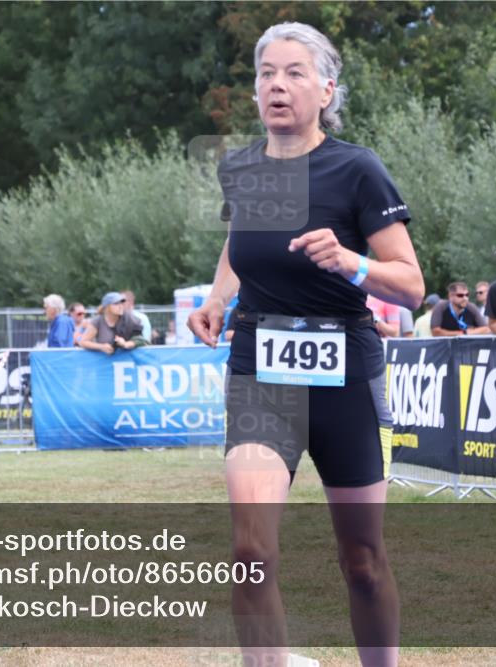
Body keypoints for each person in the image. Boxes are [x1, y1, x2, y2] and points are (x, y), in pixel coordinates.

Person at [187, 23, 423, 667]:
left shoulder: (358, 168)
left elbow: (410, 286)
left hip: (343, 370)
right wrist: (216, 298)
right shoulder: (240, 169)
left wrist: (350, 262)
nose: (276, 85)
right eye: (266, 73)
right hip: (261, 368)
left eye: (294, 72)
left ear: (326, 88)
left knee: (363, 561)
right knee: (251, 552)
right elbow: (241, 243)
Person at [79, 292, 145, 354]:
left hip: (128, 361)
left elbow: (140, 339)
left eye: (121, 303)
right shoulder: (98, 321)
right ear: (107, 307)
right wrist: (101, 347)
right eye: (116, 303)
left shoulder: (130, 318)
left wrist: (125, 344)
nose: (120, 306)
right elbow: (83, 342)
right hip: (104, 362)